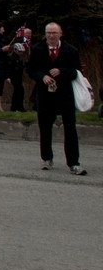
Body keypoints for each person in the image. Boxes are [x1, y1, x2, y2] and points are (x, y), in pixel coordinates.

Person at [26, 22, 86, 175]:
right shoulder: (37, 49)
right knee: (45, 127)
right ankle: (47, 158)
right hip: (45, 94)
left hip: (65, 94)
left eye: (54, 33)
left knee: (70, 127)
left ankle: (74, 163)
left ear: (60, 34)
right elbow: (31, 70)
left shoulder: (70, 50)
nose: (51, 36)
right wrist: (42, 77)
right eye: (48, 33)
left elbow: (76, 72)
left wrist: (61, 71)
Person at [8, 27, 32, 112]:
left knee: (20, 92)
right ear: (15, 50)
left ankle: (17, 107)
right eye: (19, 51)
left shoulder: (19, 58)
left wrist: (26, 64)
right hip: (14, 77)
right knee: (18, 91)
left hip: (18, 77)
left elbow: (21, 67)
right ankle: (16, 107)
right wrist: (8, 77)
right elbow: (9, 69)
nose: (21, 53)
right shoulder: (11, 58)